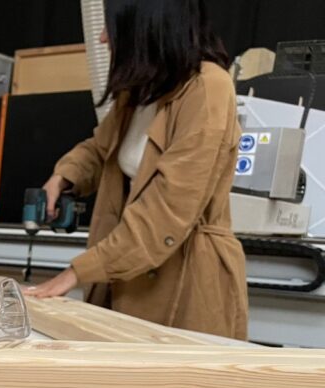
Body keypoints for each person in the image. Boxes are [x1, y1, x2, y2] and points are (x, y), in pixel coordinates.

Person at [26, 0, 248, 340]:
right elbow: (101, 149)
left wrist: (76, 272)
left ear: (146, 26)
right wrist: (64, 176)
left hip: (185, 285)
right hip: (126, 272)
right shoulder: (141, 91)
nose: (103, 38)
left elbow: (166, 212)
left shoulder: (207, 89)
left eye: (112, 26)